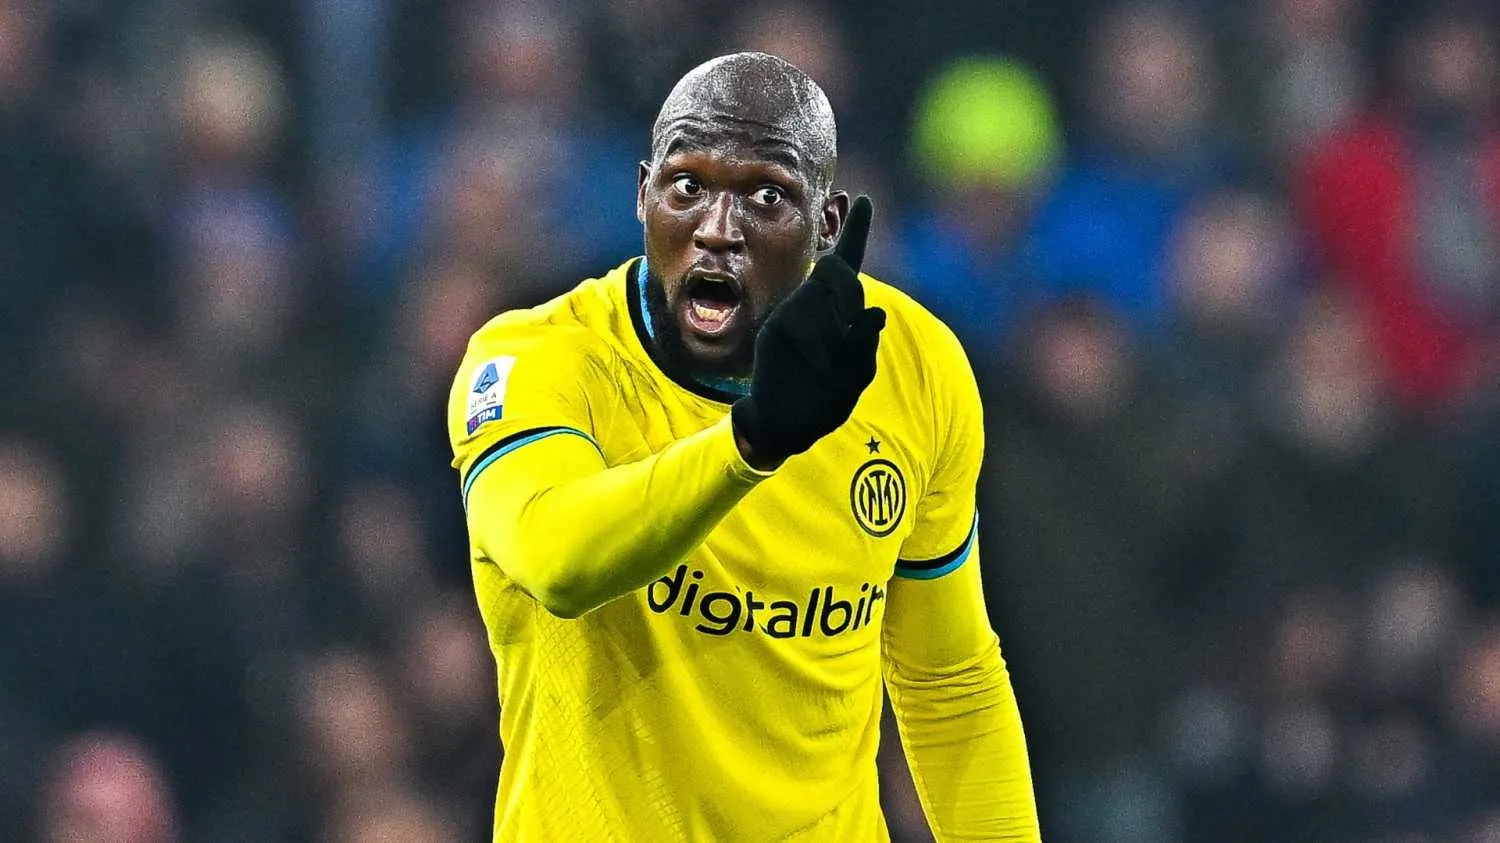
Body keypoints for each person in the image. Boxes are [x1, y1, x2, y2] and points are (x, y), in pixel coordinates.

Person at [446, 51, 1040, 841]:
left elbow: (950, 679)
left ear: (827, 224)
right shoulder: (534, 361)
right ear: (643, 194)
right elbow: (559, 561)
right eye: (687, 186)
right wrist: (751, 442)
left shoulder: (912, 365)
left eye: (767, 196)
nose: (717, 231)